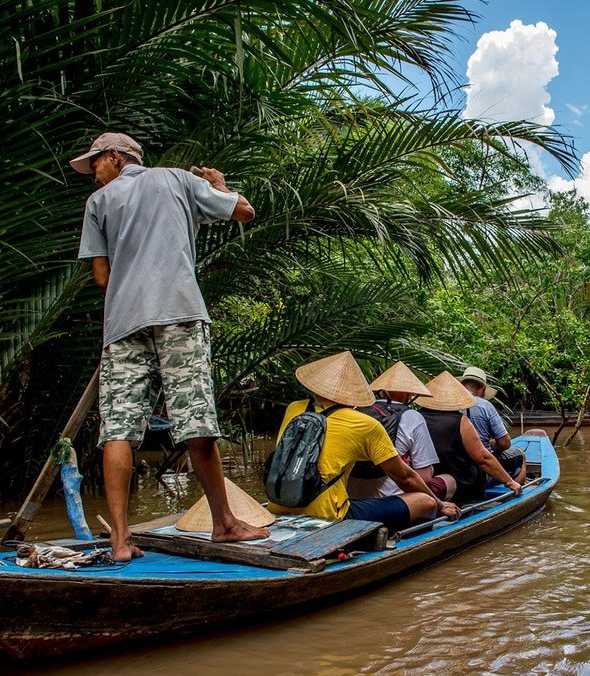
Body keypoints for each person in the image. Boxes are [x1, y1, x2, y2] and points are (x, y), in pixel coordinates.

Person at [72, 132, 268, 561]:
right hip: (178, 311)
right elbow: (243, 211)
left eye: (95, 166)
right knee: (196, 418)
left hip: (122, 323)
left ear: (115, 158)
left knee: (118, 428)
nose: (92, 175)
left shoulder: (98, 205)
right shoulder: (177, 180)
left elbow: (102, 279)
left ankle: (121, 540)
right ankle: (225, 523)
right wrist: (217, 184)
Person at [268, 351, 460, 531]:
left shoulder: (294, 409)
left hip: (279, 504)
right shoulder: (363, 423)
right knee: (425, 502)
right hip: (331, 515)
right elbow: (405, 478)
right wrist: (440, 504)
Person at [418, 372, 522, 505]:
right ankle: (515, 499)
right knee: (518, 456)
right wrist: (509, 482)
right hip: (464, 483)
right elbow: (483, 458)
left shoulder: (416, 416)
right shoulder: (460, 421)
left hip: (433, 476)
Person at [347, 361, 440, 501]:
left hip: (349, 499)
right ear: (410, 393)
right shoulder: (413, 417)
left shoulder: (356, 411)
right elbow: (424, 477)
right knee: (444, 482)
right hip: (389, 500)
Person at [459, 366, 527, 485]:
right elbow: (505, 443)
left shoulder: (449, 405)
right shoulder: (485, 406)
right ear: (481, 390)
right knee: (519, 454)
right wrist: (492, 444)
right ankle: (515, 493)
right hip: (480, 470)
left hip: (455, 467)